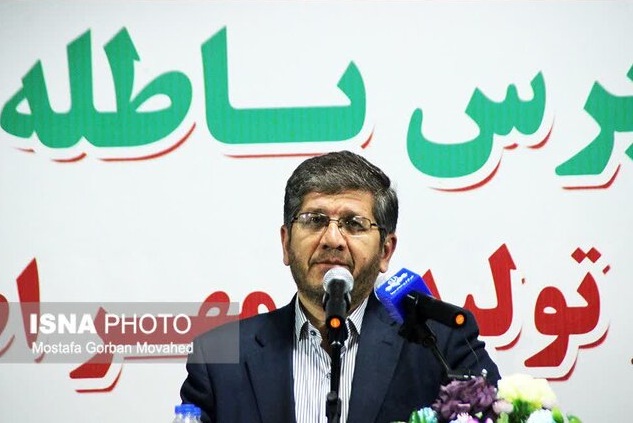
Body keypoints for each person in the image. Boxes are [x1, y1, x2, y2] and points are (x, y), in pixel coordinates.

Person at [180, 151, 500, 423]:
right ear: (286, 243)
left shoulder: (440, 343)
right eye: (314, 220)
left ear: (385, 251)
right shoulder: (218, 355)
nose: (332, 239)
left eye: (354, 224)